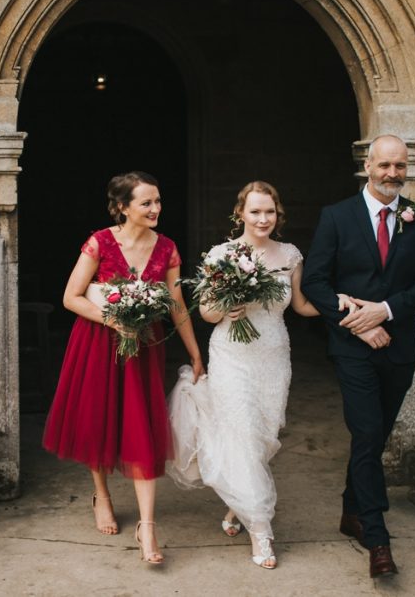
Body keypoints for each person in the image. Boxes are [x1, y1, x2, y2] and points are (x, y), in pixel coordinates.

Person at [42, 171, 204, 566]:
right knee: (100, 419)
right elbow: (70, 297)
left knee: (142, 429)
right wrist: (112, 319)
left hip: (143, 350)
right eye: (146, 202)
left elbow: (177, 304)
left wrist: (196, 354)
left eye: (158, 201)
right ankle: (102, 493)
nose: (155, 209)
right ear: (122, 207)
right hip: (98, 342)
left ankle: (147, 527)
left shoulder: (166, 248)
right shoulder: (99, 242)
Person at [300, 134, 415, 578]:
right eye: (384, 165)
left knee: (375, 437)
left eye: (399, 166)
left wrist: (384, 311)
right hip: (353, 349)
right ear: (368, 164)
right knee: (366, 432)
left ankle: (350, 511)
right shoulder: (336, 217)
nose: (392, 174)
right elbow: (315, 283)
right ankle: (378, 539)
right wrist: (357, 321)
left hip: (399, 347)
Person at [169, 181, 327, 570]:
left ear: (278, 215)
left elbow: (303, 304)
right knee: (240, 431)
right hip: (232, 356)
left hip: (274, 355)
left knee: (263, 436)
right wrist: (228, 308)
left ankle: (237, 507)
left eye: (269, 212)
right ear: (240, 213)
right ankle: (261, 529)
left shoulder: (290, 255)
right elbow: (205, 312)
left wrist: (342, 305)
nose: (262, 219)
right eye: (255, 211)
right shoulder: (223, 254)